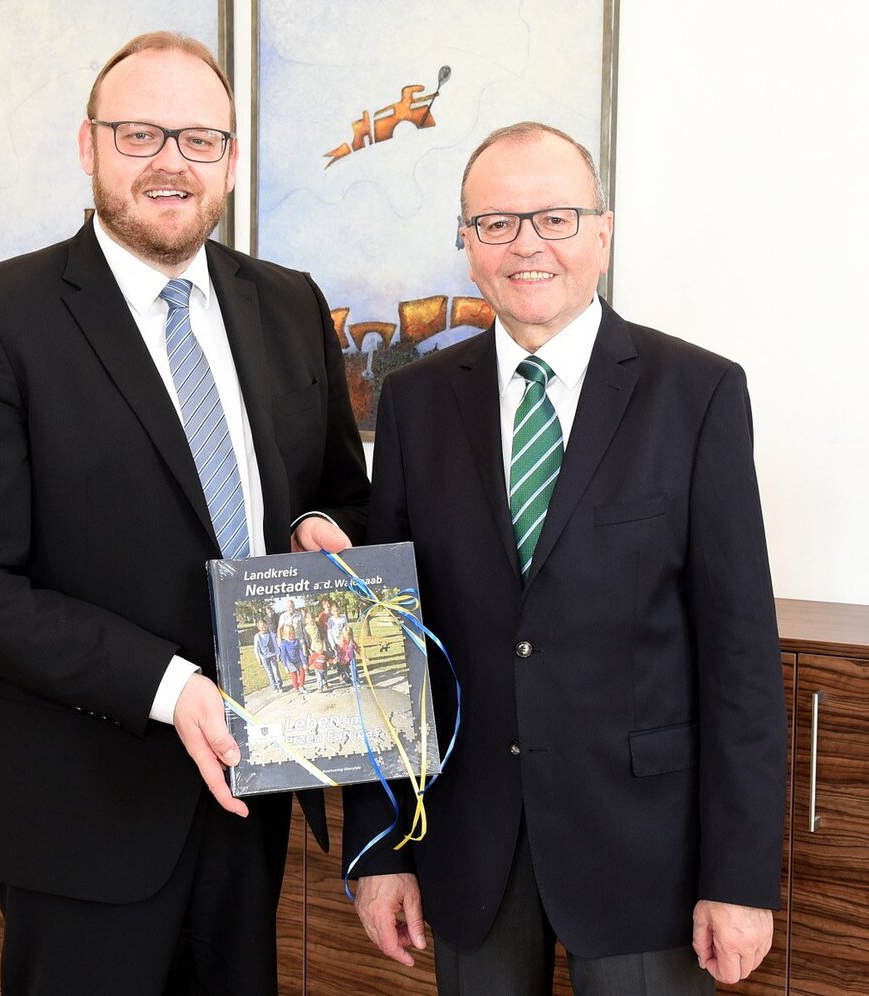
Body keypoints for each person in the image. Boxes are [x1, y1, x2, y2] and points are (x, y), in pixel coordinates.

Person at [0, 31, 368, 995]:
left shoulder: (288, 303)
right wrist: (168, 686)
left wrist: (315, 532)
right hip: (80, 807)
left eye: (199, 139)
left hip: (252, 786)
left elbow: (331, 490)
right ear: (89, 146)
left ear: (231, 160)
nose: (171, 161)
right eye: (139, 133)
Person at [342, 122, 786, 995]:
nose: (527, 245)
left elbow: (739, 657)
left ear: (603, 231)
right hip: (469, 848)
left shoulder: (697, 393)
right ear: (467, 245)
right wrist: (380, 846)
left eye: (555, 216)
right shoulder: (413, 404)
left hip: (647, 858)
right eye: (497, 223)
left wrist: (738, 879)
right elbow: (383, 644)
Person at [253, 618, 282, 691]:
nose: (264, 628)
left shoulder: (272, 634)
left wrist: (278, 654)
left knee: (275, 671)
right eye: (262, 627)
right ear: (259, 627)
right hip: (264, 657)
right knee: (269, 672)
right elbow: (256, 648)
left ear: (267, 626)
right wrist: (258, 658)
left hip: (272, 655)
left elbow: (276, 645)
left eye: (265, 627)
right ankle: (274, 686)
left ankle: (279, 685)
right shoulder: (257, 636)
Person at [279, 623, 308, 694]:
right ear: (285, 635)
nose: (292, 635)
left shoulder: (297, 641)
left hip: (298, 660)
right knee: (294, 675)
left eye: (293, 633)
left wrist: (304, 663)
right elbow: (283, 655)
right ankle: (296, 688)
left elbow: (300, 652)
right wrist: (285, 666)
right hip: (290, 662)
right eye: (289, 634)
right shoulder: (284, 643)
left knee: (302, 673)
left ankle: (301, 686)